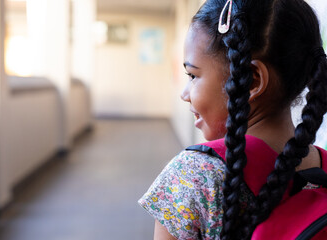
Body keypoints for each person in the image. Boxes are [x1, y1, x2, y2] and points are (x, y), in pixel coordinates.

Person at [138, 0, 327, 239]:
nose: (184, 94)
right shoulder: (322, 166)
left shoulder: (194, 173)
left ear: (252, 80)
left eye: (193, 75)